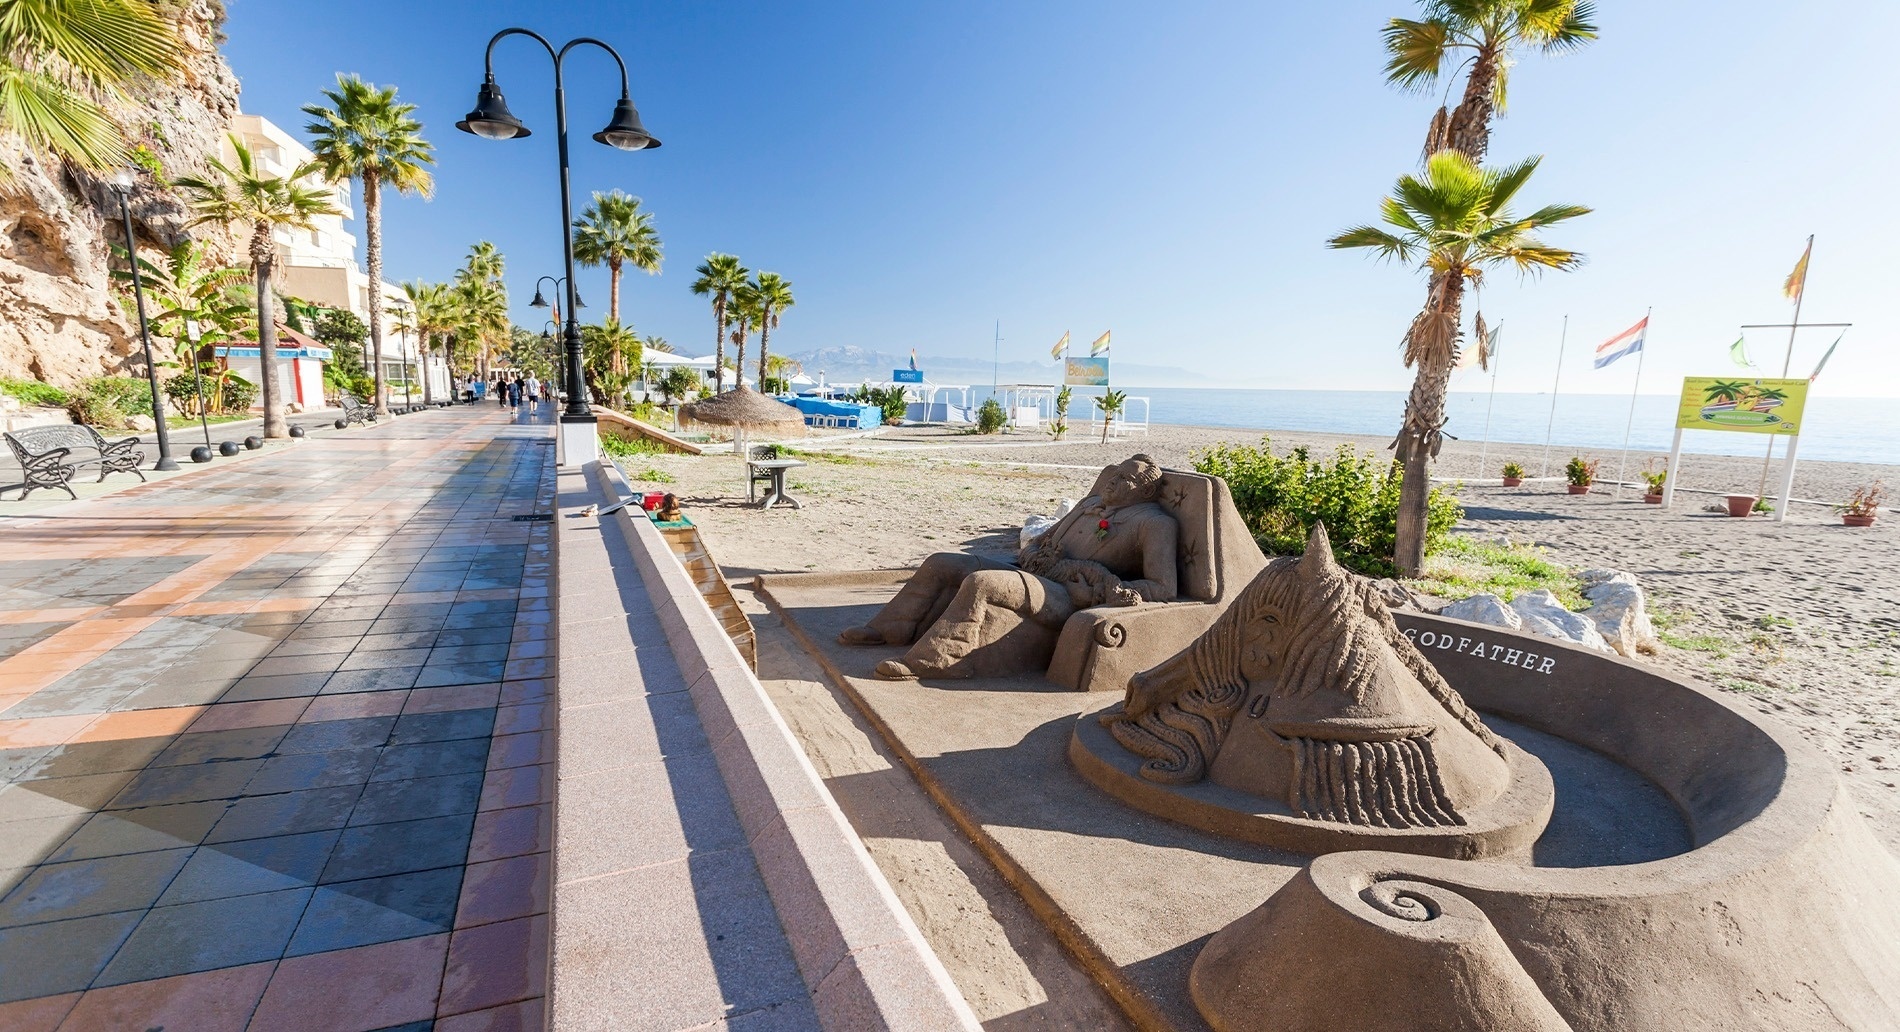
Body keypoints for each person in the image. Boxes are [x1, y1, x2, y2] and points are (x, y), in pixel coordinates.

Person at [839, 454, 1179, 679]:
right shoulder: (1092, 503)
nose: (1112, 481)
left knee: (983, 582)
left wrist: (1100, 592)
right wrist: (1034, 549)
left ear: (1145, 490)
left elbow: (1164, 587)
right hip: (1036, 568)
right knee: (940, 562)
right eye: (1114, 474)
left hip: (1065, 593)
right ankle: (890, 629)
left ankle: (936, 660)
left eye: (1125, 479)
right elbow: (1045, 537)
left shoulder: (1153, 524)